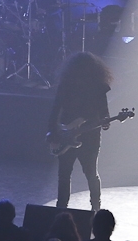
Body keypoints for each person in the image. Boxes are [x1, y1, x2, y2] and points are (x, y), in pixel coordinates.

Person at [47, 52, 111, 211]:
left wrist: (106, 121)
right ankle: (86, 208)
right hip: (69, 135)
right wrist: (54, 133)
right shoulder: (67, 85)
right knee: (85, 174)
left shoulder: (98, 87)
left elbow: (104, 111)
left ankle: (91, 208)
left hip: (89, 136)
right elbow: (55, 109)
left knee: (83, 174)